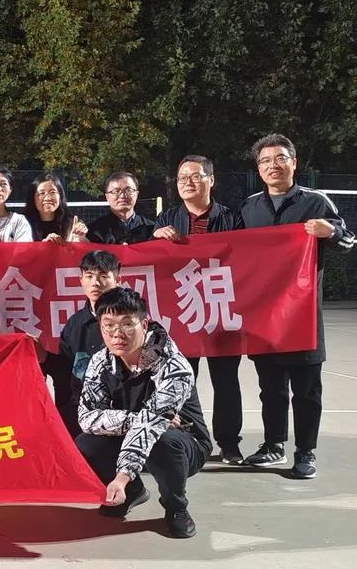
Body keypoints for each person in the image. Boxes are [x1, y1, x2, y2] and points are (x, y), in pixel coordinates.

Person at [239, 133, 354, 478]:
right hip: (264, 317)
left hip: (303, 316)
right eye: (265, 160)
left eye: (280, 158)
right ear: (258, 168)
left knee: (306, 390)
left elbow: (348, 240)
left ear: (294, 162)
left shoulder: (316, 202)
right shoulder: (249, 207)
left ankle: (306, 452)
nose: (272, 165)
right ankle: (273, 445)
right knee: (271, 389)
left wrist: (330, 232)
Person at [75, 287, 212, 538]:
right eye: (108, 326)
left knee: (163, 440)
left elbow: (150, 428)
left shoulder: (173, 365)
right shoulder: (100, 361)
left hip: (186, 441)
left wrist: (122, 476)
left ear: (145, 324)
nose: (117, 334)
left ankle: (176, 507)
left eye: (127, 324)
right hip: (134, 433)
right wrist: (137, 419)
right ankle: (134, 492)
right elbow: (87, 417)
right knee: (87, 442)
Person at [154, 155, 245, 464]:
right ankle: (189, 439)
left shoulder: (232, 218)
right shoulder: (166, 219)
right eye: (182, 178)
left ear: (211, 180)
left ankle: (229, 443)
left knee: (226, 381)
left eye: (195, 176)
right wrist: (154, 239)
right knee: (182, 379)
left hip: (221, 310)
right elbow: (150, 263)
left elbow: (249, 258)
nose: (188, 182)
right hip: (184, 311)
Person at [47, 250, 121, 437]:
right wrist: (43, 357)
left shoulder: (131, 320)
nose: (95, 283)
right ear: (81, 280)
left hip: (122, 410)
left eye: (103, 276)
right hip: (82, 412)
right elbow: (64, 374)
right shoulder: (75, 325)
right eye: (89, 276)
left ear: (117, 280)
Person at [87, 172, 157, 244]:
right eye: (116, 191)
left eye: (128, 190)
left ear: (137, 194)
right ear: (107, 197)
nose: (122, 196)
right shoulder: (94, 231)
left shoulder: (152, 229)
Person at [23, 173, 87, 243]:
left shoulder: (72, 225)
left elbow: (86, 248)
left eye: (52, 192)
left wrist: (80, 238)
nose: (48, 198)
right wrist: (44, 245)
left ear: (60, 196)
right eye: (42, 193)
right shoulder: (23, 224)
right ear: (33, 198)